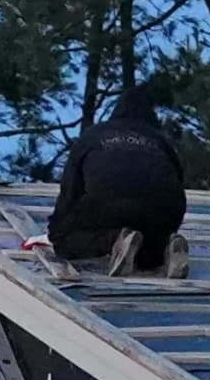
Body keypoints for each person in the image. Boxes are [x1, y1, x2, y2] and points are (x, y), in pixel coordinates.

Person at [47, 78, 191, 277]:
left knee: (63, 239)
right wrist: (169, 226)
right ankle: (165, 248)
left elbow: (70, 192)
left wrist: (58, 227)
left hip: (110, 202)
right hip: (164, 209)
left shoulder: (92, 135)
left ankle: (116, 240)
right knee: (148, 237)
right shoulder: (160, 141)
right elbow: (176, 188)